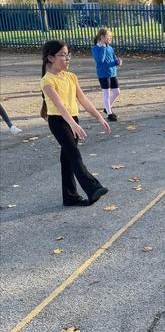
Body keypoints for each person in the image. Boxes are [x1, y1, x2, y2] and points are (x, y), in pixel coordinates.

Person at [40, 40, 110, 207]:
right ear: (51, 58)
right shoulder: (47, 81)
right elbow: (59, 105)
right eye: (62, 55)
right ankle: (93, 188)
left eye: (68, 55)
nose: (67, 59)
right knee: (74, 155)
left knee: (67, 159)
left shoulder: (71, 76)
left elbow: (83, 99)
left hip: (72, 119)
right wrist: (72, 124)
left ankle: (70, 197)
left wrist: (99, 117)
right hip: (59, 122)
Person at [91, 29, 122, 122]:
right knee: (106, 94)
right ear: (102, 37)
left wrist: (117, 61)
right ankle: (109, 113)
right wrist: (103, 47)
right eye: (109, 37)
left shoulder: (110, 48)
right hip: (103, 74)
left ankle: (106, 108)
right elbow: (100, 60)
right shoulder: (95, 48)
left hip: (112, 73)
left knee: (117, 92)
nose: (110, 39)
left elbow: (113, 58)